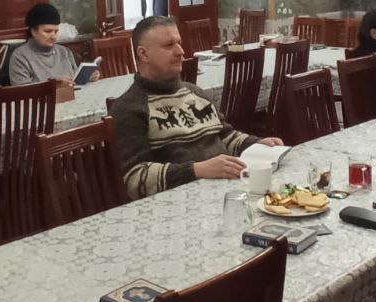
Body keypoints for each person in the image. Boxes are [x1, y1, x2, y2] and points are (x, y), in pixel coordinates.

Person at [113, 15, 283, 199]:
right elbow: (135, 179)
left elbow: (225, 136)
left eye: (179, 43)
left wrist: (255, 144)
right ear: (143, 54)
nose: (180, 51)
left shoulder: (195, 93)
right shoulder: (129, 108)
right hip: (181, 202)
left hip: (230, 192)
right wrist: (197, 170)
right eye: (169, 45)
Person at [8, 3, 97, 86]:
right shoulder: (20, 57)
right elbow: (21, 92)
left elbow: (74, 81)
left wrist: (87, 77)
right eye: (48, 31)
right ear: (34, 31)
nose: (54, 36)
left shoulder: (64, 52)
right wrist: (53, 86)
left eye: (56, 31)